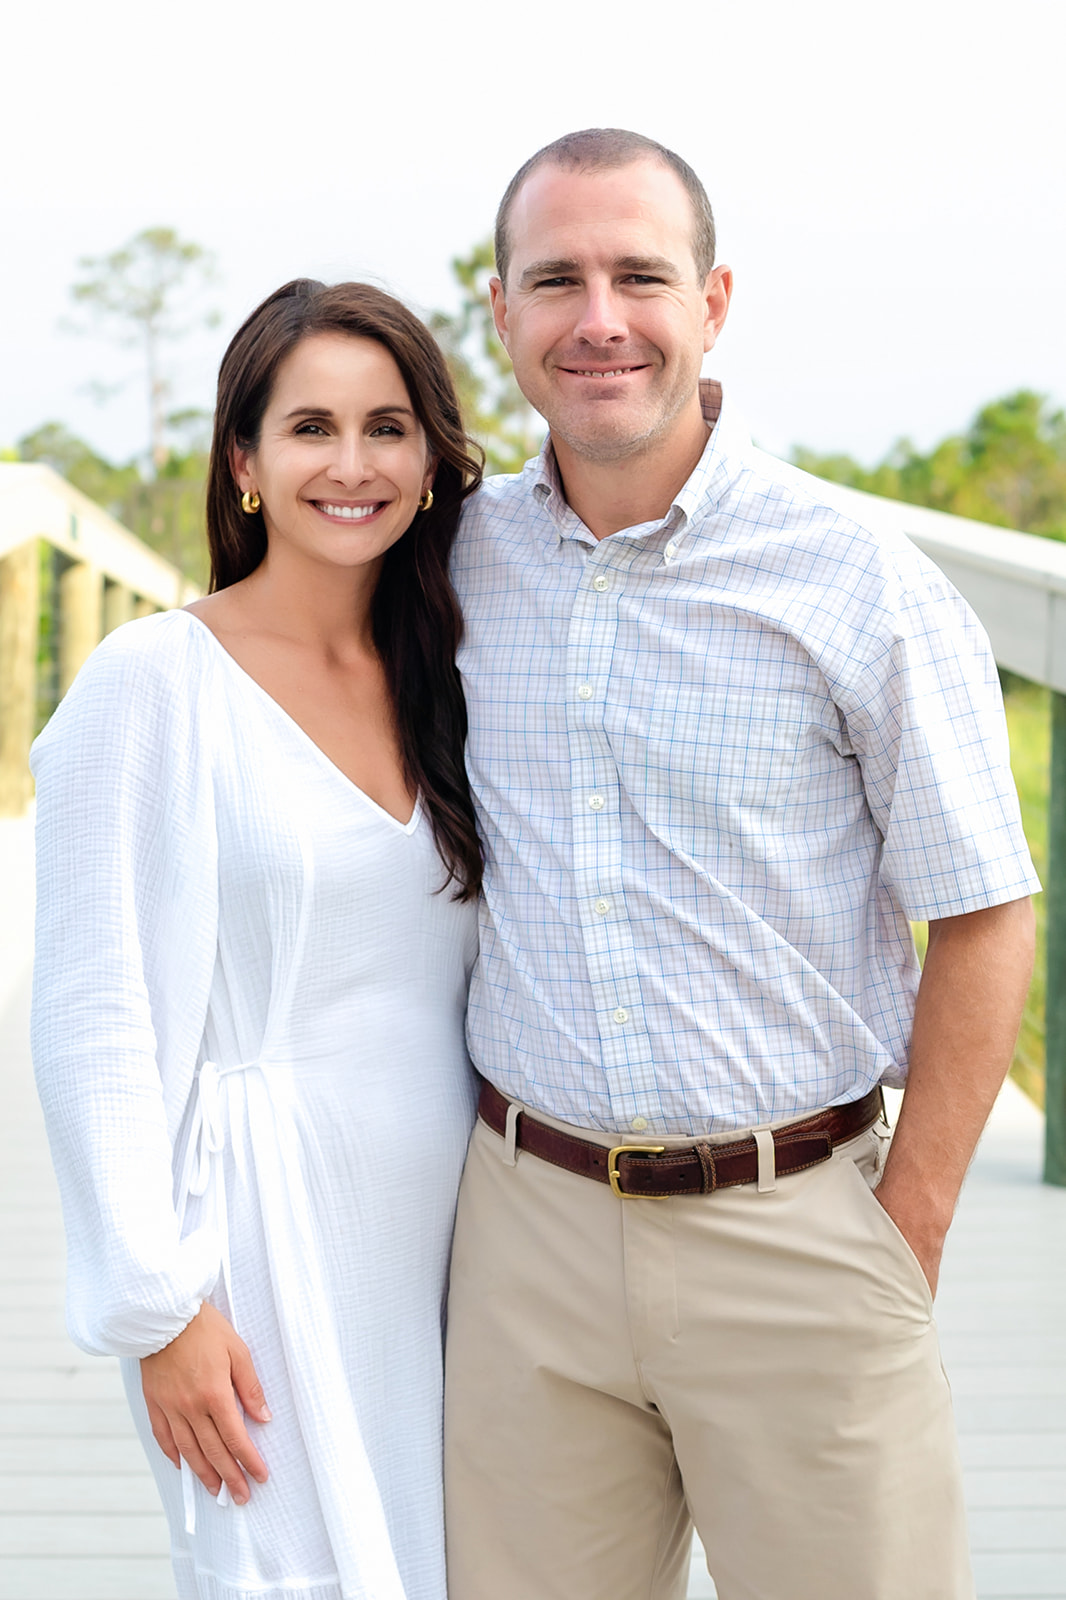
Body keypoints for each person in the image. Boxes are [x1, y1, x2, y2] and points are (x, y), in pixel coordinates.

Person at [444, 128, 1040, 1600]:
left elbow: (984, 912)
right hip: (525, 1238)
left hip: (798, 1229)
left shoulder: (858, 579)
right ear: (501, 312)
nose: (599, 318)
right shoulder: (448, 565)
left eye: (640, 276)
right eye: (555, 280)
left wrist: (904, 1229)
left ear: (712, 303)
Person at [31, 278, 483, 1600]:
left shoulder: (447, 675)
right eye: (310, 429)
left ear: (431, 459)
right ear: (243, 461)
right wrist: (157, 1307)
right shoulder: (154, 680)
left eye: (388, 427)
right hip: (255, 1239)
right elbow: (92, 1011)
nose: (353, 465)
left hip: (460, 1245)